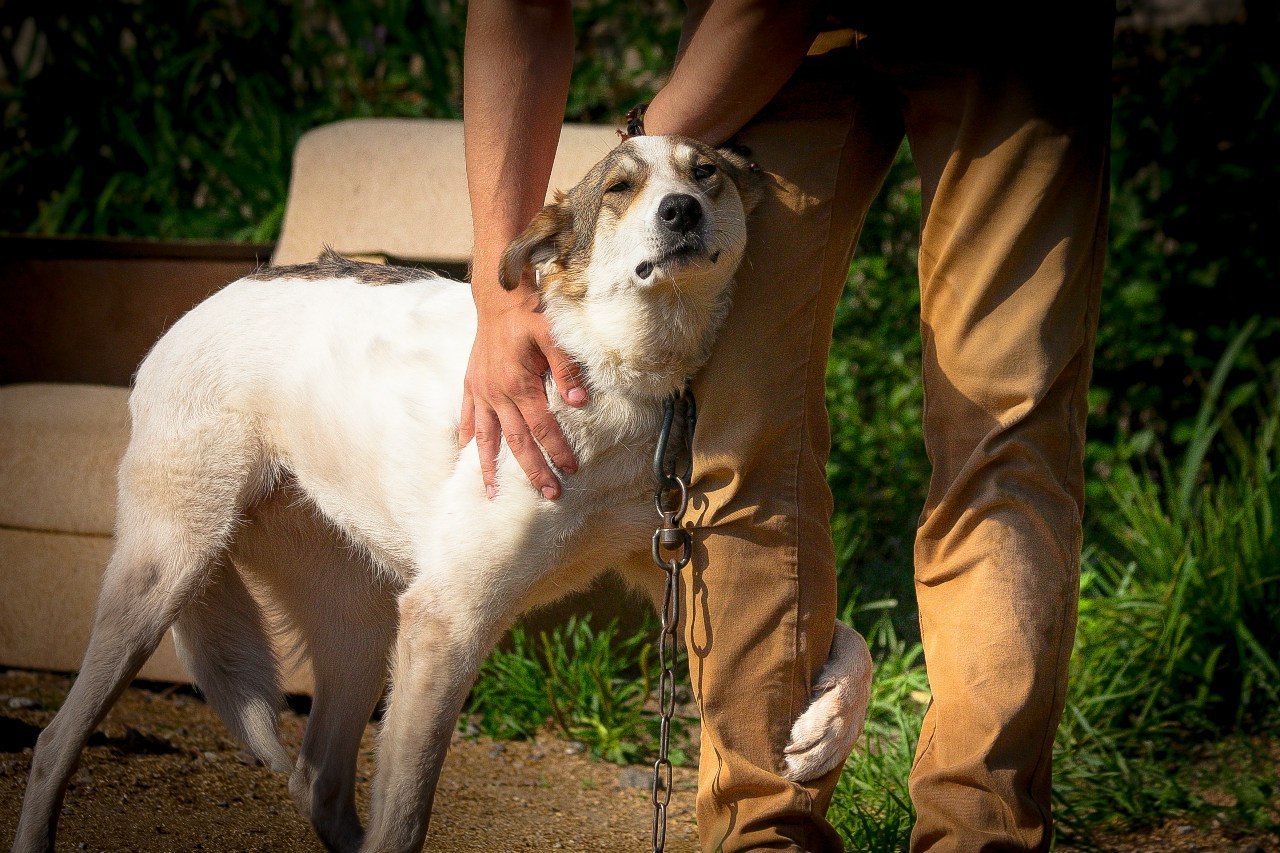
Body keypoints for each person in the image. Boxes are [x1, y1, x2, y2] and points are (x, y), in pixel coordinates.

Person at [460, 2, 1114, 851]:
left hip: (1009, 34)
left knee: (1003, 420)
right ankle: (760, 832)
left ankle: (978, 832)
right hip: (786, 48)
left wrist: (642, 157)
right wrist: (500, 290)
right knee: (736, 430)